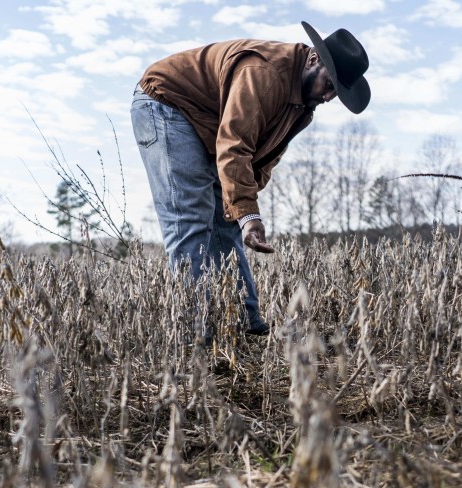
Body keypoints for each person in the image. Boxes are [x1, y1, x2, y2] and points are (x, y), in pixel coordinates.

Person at [130, 21, 370, 338]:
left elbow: (263, 159)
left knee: (228, 217)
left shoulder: (302, 107)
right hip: (166, 104)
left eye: (336, 93)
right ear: (314, 60)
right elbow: (235, 144)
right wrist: (248, 212)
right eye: (329, 84)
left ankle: (245, 320)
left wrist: (245, 213)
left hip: (209, 124)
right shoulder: (264, 73)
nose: (328, 96)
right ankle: (192, 334)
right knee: (190, 215)